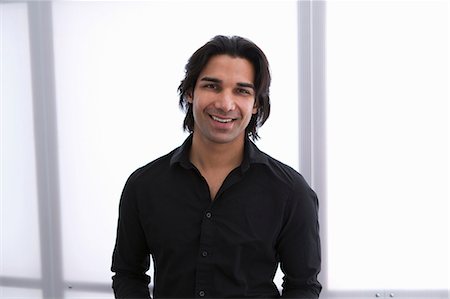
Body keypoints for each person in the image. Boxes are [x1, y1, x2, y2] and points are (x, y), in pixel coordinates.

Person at [111, 35, 322, 299]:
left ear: (256, 103)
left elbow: (303, 286)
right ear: (190, 92)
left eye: (242, 91)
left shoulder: (291, 192)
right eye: (212, 86)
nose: (225, 104)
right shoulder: (143, 186)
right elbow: (128, 274)